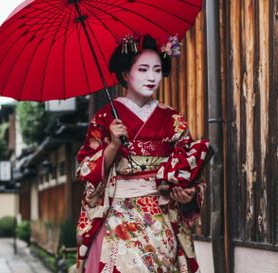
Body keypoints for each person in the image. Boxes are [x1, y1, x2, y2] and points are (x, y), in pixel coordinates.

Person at [72, 34, 206, 273]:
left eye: (156, 69)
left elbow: (191, 166)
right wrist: (112, 145)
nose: (151, 76)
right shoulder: (105, 117)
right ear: (125, 74)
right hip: (119, 217)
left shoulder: (173, 119)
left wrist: (188, 193)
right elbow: (85, 169)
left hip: (161, 215)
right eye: (143, 69)